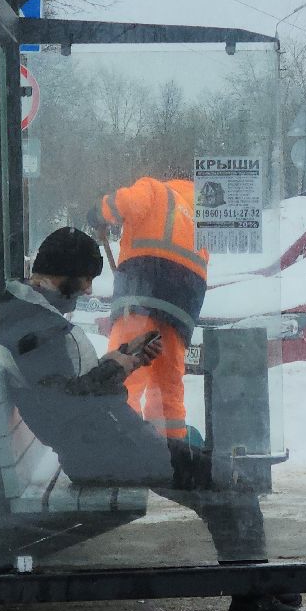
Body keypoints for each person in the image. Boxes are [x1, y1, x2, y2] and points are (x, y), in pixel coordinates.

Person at [0, 226, 303, 611]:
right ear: (62, 274)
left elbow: (66, 395)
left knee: (213, 477)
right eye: (81, 285)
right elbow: (68, 406)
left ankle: (256, 579)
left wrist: (122, 361)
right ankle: (252, 599)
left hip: (107, 442)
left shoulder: (26, 315)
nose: (82, 294)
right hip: (106, 450)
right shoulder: (33, 329)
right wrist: (115, 368)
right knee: (229, 484)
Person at [97, 176, 207, 442]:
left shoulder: (155, 189)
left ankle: (119, 441)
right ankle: (171, 448)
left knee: (126, 369)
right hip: (185, 299)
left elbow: (127, 203)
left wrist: (99, 211)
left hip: (144, 284)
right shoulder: (200, 216)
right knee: (168, 382)